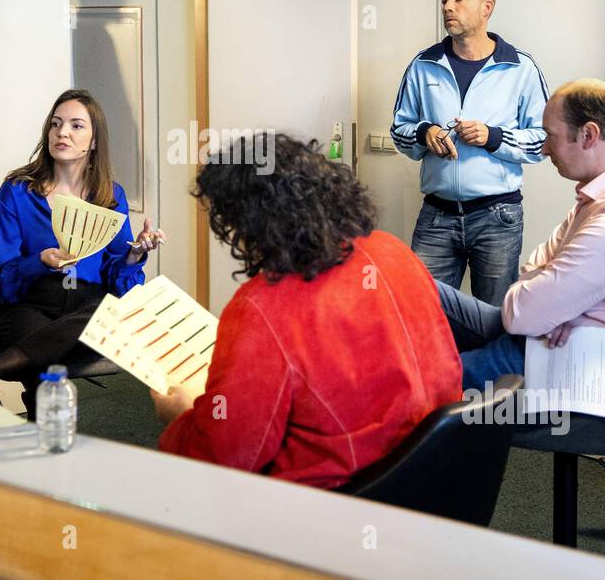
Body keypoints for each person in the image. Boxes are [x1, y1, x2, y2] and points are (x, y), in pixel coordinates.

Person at [153, 132, 463, 489]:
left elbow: (227, 456)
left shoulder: (262, 307)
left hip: (333, 501)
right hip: (432, 477)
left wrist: (182, 415)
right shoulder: (392, 252)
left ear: (250, 224)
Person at [433, 80, 605, 392]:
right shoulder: (604, 192)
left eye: (550, 135)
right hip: (550, 334)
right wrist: (555, 308)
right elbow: (536, 265)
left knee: (421, 380)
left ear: (589, 135)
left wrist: (550, 308)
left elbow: (522, 315)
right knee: (422, 289)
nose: (544, 148)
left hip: (576, 359)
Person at [0, 89, 165, 412]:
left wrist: (134, 254)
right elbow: (4, 281)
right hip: (32, 304)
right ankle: (51, 418)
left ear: (94, 141)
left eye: (76, 126)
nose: (62, 132)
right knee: (44, 348)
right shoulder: (16, 191)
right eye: (56, 124)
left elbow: (121, 285)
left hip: (88, 306)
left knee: (106, 313)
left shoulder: (111, 196)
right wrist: (40, 261)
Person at [391, 0, 549, 306]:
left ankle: (480, 363)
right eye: (444, 0)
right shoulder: (423, 65)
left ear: (486, 7)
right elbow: (399, 131)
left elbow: (543, 140)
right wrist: (424, 133)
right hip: (436, 216)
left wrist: (492, 137)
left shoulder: (520, 68)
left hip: (498, 218)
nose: (447, 6)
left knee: (493, 318)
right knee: (423, 312)